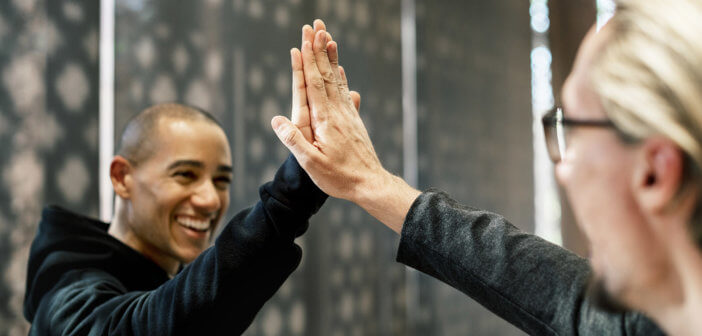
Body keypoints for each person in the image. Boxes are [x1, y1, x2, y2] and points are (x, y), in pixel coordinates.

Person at [272, 1, 702, 334]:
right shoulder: (656, 317)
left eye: (570, 127)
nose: (562, 169)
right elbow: (550, 287)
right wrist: (372, 184)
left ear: (655, 173)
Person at [23, 102, 327, 335]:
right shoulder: (65, 297)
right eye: (185, 175)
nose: (210, 200)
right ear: (122, 178)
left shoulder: (166, 276)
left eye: (221, 181)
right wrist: (289, 199)